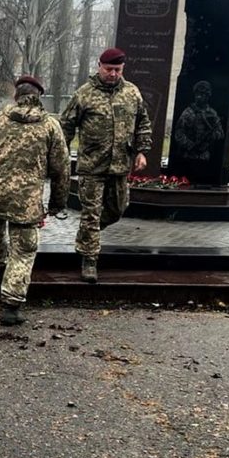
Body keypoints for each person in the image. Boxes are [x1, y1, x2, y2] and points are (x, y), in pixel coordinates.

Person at [0, 75, 70, 326]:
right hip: (27, 201)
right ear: (39, 96)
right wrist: (56, 205)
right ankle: (11, 305)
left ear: (15, 96)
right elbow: (61, 169)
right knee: (24, 251)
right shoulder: (50, 127)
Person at [60, 47, 152, 283]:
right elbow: (66, 127)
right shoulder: (84, 94)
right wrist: (60, 156)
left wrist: (142, 151)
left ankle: (85, 237)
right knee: (91, 213)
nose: (113, 74)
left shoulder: (132, 93)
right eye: (109, 69)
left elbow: (142, 121)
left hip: (120, 165)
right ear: (99, 66)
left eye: (118, 70)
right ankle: (89, 261)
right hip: (92, 165)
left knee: (118, 209)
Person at [173, 80, 224, 161]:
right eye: (197, 94)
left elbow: (220, 133)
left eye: (202, 94)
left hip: (204, 156)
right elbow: (178, 133)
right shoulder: (188, 112)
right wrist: (190, 145)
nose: (198, 97)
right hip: (188, 156)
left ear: (207, 96)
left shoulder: (212, 113)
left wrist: (211, 136)